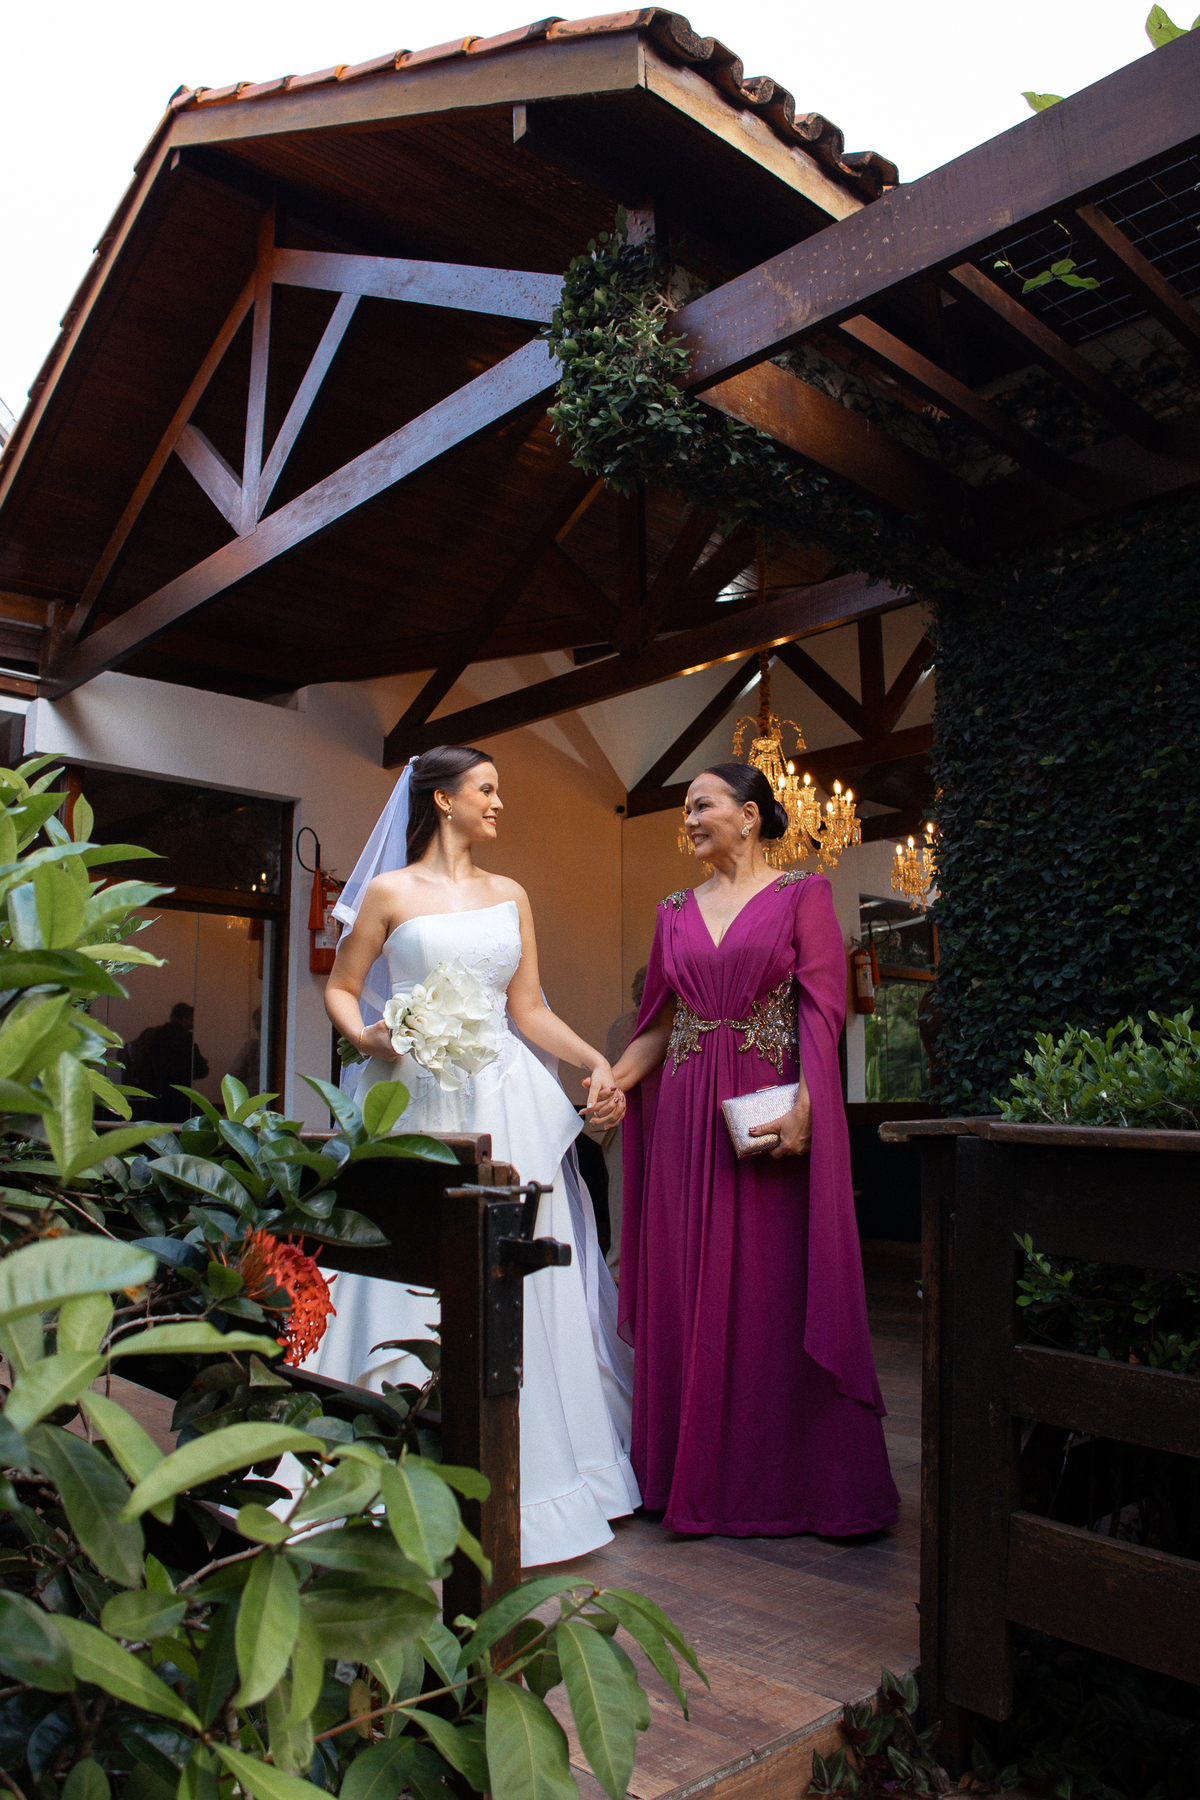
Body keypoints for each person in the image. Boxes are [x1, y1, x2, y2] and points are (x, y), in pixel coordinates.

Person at [317, 745, 641, 1566]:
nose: (499, 803)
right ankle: (388, 1461)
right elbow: (342, 988)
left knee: (523, 1273)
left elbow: (527, 1009)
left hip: (505, 1102)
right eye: (487, 789)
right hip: (416, 1098)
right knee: (410, 1265)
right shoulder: (390, 893)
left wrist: (593, 1061)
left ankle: (538, 1473)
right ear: (443, 798)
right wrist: (370, 1037)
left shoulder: (511, 894)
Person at [611, 763, 899, 1539]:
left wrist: (809, 1107)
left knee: (770, 1287)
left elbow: (824, 1012)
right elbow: (658, 1025)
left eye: (700, 805)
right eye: (685, 809)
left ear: (748, 814)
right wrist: (613, 1083)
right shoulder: (673, 912)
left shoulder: (803, 894)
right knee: (685, 1285)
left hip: (762, 1118)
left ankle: (788, 1484)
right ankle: (684, 1476)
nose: (689, 820)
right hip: (684, 1119)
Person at [594, 966, 646, 1281]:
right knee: (623, 1197)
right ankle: (618, 1275)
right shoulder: (626, 1025)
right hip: (625, 1120)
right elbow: (616, 1074)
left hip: (657, 1121)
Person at [126, 1002, 209, 1122]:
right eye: (191, 1019)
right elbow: (201, 1071)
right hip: (179, 1099)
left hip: (153, 1097)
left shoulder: (153, 1035)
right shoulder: (185, 1040)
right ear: (186, 1018)